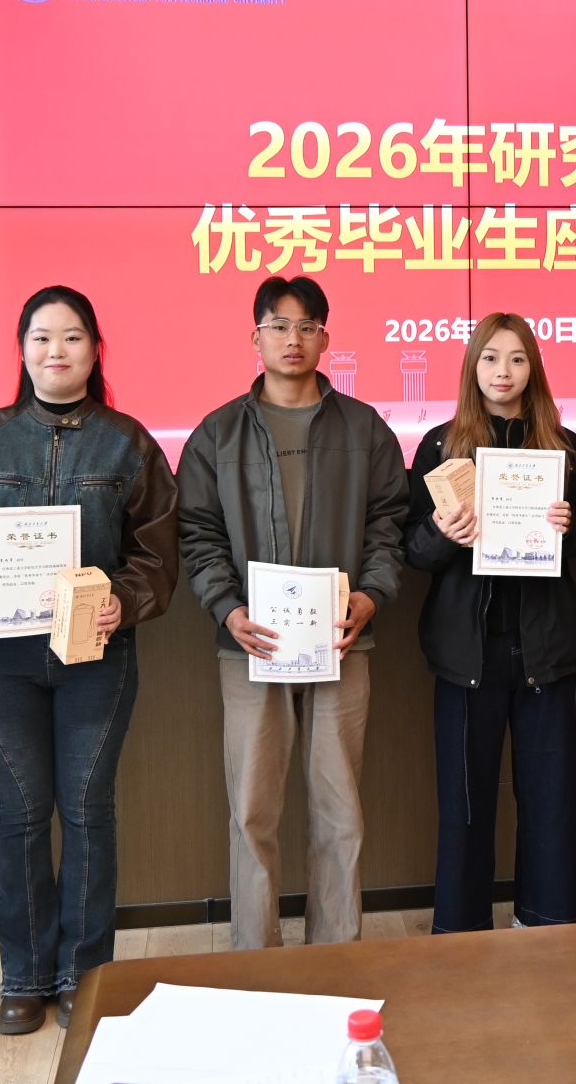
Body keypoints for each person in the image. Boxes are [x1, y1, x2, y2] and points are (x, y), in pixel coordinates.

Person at [0, 286, 179, 1032]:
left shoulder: (128, 443)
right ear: (22, 350)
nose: (56, 350)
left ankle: (82, 974)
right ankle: (24, 975)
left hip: (97, 653)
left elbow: (157, 551)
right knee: (22, 810)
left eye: (71, 337)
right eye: (41, 337)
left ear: (95, 350)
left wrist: (124, 599)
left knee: (89, 809)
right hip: (2, 660)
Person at [176, 275, 408, 950]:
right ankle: (257, 956)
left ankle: (335, 954)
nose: (293, 338)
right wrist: (227, 608)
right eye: (278, 325)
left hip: (341, 641)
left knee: (340, 810)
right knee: (253, 810)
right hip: (253, 644)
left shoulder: (364, 428)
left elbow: (389, 523)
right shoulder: (217, 433)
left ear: (325, 338)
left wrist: (371, 594)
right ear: (255, 337)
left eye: (307, 326)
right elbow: (198, 532)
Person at [405, 313, 576, 932]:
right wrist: (442, 533)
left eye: (517, 359)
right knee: (465, 802)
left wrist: (569, 528)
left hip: (544, 648)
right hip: (467, 653)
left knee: (550, 798)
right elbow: (413, 550)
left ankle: (547, 921)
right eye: (490, 358)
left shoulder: (563, 447)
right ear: (472, 367)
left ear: (533, 369)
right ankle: (460, 929)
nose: (503, 372)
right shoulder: (441, 446)